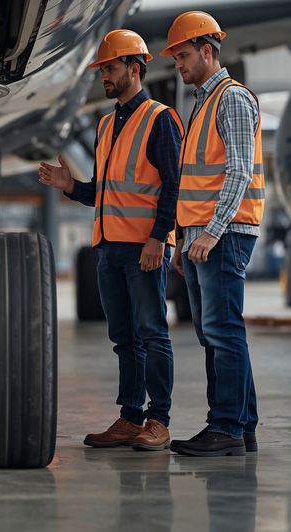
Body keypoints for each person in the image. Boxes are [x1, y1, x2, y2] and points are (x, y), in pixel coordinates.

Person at [39, 29, 182, 451]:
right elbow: (106, 191)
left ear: (134, 69)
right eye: (102, 69)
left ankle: (158, 420)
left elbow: (174, 185)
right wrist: (71, 186)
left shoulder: (160, 118)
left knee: (153, 332)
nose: (104, 75)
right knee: (124, 338)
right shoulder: (106, 124)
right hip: (109, 248)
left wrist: (159, 238)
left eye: (111, 67)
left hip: (144, 248)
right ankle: (130, 417)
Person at [163, 11, 264, 457]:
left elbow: (239, 171)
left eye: (183, 56)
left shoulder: (232, 99)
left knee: (223, 332)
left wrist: (212, 232)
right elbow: (197, 182)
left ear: (208, 51)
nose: (178, 65)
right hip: (203, 235)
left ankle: (224, 427)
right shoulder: (203, 102)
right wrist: (185, 239)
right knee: (217, 333)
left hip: (225, 233)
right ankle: (242, 427)